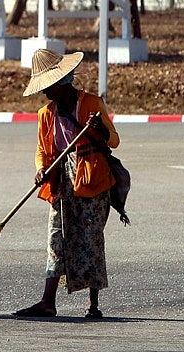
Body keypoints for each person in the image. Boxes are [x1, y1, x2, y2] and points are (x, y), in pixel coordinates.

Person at [13, 48, 120, 320]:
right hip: (62, 180)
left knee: (90, 238)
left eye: (49, 88)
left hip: (92, 179)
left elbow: (114, 141)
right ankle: (48, 302)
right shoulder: (45, 114)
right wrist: (41, 170)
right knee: (56, 237)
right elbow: (42, 150)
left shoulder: (92, 104)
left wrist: (97, 129)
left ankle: (93, 304)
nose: (46, 94)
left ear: (63, 82)